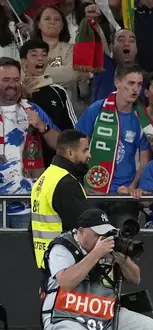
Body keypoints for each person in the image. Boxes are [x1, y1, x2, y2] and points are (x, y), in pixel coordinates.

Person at [31, 208, 153, 330]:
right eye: (97, 233)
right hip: (66, 318)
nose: (102, 238)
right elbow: (66, 282)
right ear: (80, 231)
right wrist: (96, 254)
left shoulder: (107, 247)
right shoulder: (62, 247)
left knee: (146, 327)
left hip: (101, 318)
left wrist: (122, 259)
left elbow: (135, 279)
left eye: (104, 233)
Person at [76, 63, 153, 227]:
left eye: (139, 84)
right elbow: (77, 148)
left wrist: (132, 187)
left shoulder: (142, 119)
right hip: (94, 191)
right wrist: (83, 183)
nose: (135, 89)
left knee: (123, 245)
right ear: (117, 83)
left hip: (123, 195)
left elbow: (144, 162)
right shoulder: (97, 110)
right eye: (130, 83)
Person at [0, 57, 59, 228]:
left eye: (16, 79)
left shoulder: (32, 110)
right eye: (5, 80)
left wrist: (42, 126)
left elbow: (61, 146)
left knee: (23, 254)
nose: (12, 84)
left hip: (26, 203)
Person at [31, 130, 91, 269]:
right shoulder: (65, 183)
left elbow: (32, 230)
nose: (89, 155)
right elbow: (84, 227)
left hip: (48, 262)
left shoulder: (45, 178)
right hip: (66, 262)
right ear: (70, 153)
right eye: (85, 150)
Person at [19, 39, 77, 167]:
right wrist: (22, 97)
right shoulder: (14, 92)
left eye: (44, 55)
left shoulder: (58, 91)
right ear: (23, 62)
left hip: (53, 163)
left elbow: (71, 133)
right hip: (22, 163)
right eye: (34, 55)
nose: (40, 59)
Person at [33, 5, 87, 110]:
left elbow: (71, 74)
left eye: (57, 19)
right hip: (37, 110)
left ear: (62, 25)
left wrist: (37, 77)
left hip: (68, 108)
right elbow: (24, 78)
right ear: (38, 24)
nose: (52, 22)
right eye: (47, 18)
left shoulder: (73, 49)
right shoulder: (28, 50)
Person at [93, 29, 139, 102]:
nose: (126, 43)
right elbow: (87, 43)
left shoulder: (144, 80)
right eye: (121, 40)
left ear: (136, 49)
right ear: (112, 47)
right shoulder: (103, 64)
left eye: (131, 41)